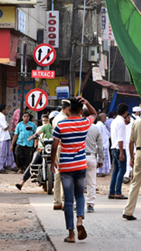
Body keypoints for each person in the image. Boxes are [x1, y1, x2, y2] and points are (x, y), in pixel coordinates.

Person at [51, 97, 97, 243]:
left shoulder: (61, 124)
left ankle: (71, 234)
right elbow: (94, 114)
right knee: (80, 196)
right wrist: (87, 103)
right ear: (81, 111)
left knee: (69, 200)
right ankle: (80, 221)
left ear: (69, 110)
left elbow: (54, 145)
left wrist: (53, 161)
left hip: (66, 167)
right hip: (80, 165)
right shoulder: (84, 123)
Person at [15, 114, 54, 191]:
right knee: (33, 164)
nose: (46, 122)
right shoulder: (44, 127)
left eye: (47, 120)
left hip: (53, 150)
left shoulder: (57, 128)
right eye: (44, 120)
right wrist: (33, 137)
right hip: (42, 149)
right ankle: (22, 183)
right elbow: (37, 135)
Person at [83, 110, 104, 213]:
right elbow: (100, 146)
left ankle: (75, 204)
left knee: (76, 182)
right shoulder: (96, 128)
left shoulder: (78, 127)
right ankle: (90, 205)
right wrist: (101, 159)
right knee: (91, 182)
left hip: (78, 157)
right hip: (91, 157)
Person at [109, 103, 129, 200]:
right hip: (119, 148)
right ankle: (118, 192)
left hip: (113, 147)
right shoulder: (121, 122)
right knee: (122, 170)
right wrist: (121, 152)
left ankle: (112, 192)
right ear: (125, 112)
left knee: (115, 171)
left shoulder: (114, 121)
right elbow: (120, 139)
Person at [52, 100, 70, 210]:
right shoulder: (64, 119)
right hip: (63, 147)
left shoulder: (55, 118)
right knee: (65, 174)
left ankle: (57, 201)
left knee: (58, 174)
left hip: (57, 146)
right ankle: (63, 200)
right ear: (67, 109)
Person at [0, 104, 15, 174]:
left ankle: (3, 167)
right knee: (2, 153)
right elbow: (5, 127)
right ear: (3, 110)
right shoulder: (1, 117)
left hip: (5, 137)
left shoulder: (2, 116)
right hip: (2, 137)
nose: (7, 111)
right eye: (6, 109)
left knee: (6, 153)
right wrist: (7, 125)